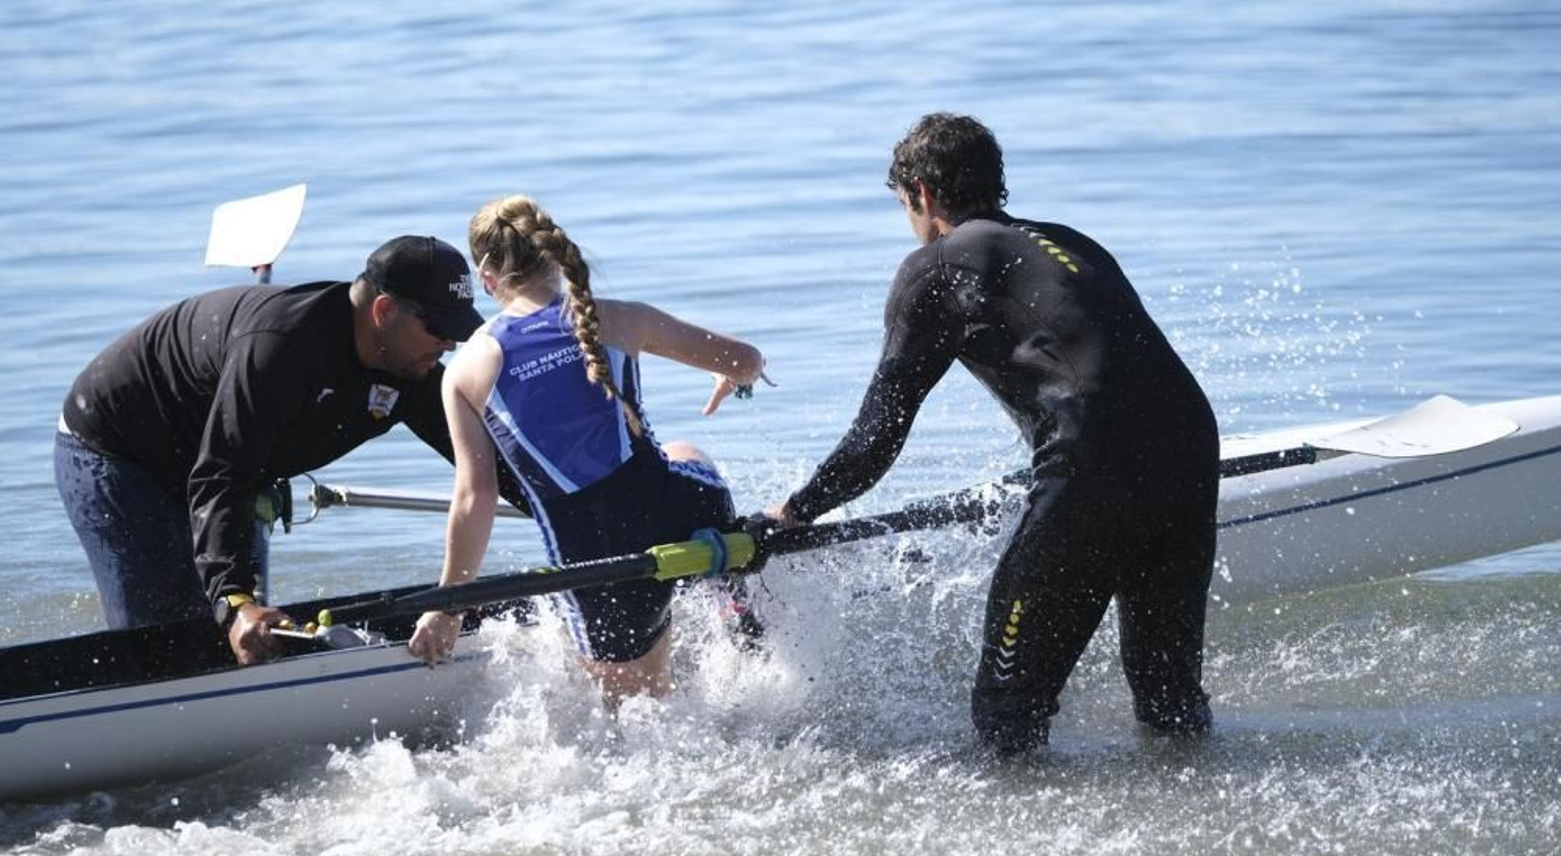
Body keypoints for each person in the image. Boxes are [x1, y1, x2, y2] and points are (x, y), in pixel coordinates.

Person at [761, 113, 1219, 753]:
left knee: (1008, 710)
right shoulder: (1069, 242)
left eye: (904, 205)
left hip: (1095, 460)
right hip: (1191, 445)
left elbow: (879, 432)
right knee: (1168, 695)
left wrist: (797, 509)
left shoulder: (937, 266)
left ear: (921, 193)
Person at [56, 234, 524, 665]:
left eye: (455, 332)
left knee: (260, 638)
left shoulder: (411, 368)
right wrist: (235, 603)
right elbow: (222, 475)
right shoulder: (280, 350)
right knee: (175, 645)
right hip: (118, 454)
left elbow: (495, 466)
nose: (447, 344)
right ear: (383, 311)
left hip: (230, 458)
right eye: (438, 329)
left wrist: (579, 518)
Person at [407, 196, 766, 707]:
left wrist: (447, 607)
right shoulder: (620, 317)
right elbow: (748, 360)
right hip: (682, 511)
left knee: (638, 717)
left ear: (486, 276)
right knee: (688, 453)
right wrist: (728, 373)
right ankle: (733, 607)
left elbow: (475, 498)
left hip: (595, 559)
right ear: (554, 254)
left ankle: (668, 641)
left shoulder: (467, 369)